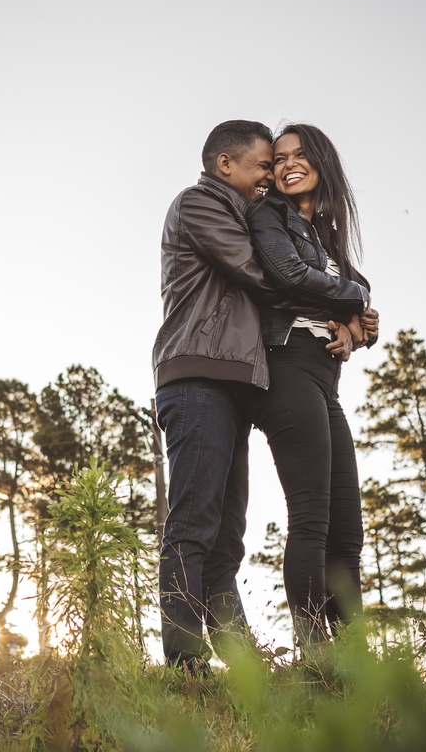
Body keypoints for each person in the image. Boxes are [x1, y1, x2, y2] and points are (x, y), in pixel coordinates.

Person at [152, 120, 367, 669]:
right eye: (264, 164)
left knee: (226, 536)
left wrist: (350, 312)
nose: (271, 175)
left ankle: (244, 666)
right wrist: (342, 302)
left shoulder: (257, 213)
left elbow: (291, 277)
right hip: (198, 375)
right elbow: (267, 275)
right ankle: (184, 661)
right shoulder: (202, 204)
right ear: (227, 164)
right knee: (193, 524)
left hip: (235, 381)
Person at [244, 123, 379, 651]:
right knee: (312, 519)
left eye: (299, 155)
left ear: (322, 161)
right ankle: (314, 651)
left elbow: (359, 295)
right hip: (287, 367)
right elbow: (288, 276)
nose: (288, 164)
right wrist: (351, 307)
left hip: (325, 381)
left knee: (348, 531)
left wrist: (354, 323)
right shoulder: (268, 214)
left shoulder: (326, 235)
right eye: (279, 159)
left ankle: (353, 658)